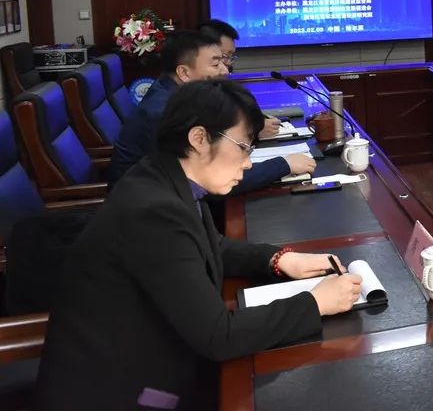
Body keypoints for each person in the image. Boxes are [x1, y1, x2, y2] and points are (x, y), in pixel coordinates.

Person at [37, 79, 363, 410]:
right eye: (243, 147)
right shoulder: (153, 210)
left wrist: (279, 259)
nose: (248, 163)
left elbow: (210, 246)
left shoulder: (166, 176)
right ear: (199, 138)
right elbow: (218, 336)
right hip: (121, 389)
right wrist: (314, 303)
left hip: (150, 360)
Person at [108, 31, 314, 189]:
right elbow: (210, 179)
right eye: (216, 65)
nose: (225, 70)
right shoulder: (165, 112)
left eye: (223, 62)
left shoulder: (177, 94)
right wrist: (283, 165)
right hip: (146, 215)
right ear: (184, 73)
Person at [200, 18, 285, 140]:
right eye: (224, 56)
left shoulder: (215, 89)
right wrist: (251, 131)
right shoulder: (188, 96)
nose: (227, 67)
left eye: (231, 57)